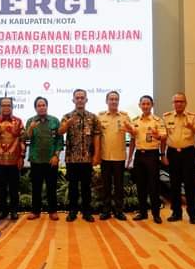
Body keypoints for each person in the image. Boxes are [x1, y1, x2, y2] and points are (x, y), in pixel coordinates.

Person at [59, 89, 101, 223]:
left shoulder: (93, 117)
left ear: (86, 100)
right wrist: (67, 124)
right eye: (77, 98)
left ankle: (87, 212)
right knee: (72, 187)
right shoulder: (67, 116)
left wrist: (96, 155)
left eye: (82, 98)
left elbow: (96, 137)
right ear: (73, 100)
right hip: (72, 159)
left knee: (86, 187)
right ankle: (72, 211)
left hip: (87, 158)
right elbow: (60, 132)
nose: (80, 100)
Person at [128, 95, 167, 224]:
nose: (145, 106)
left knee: (154, 185)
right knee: (140, 185)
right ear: (139, 105)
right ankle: (143, 212)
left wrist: (158, 137)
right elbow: (132, 140)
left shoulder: (157, 120)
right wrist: (130, 158)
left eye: (148, 104)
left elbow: (164, 137)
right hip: (139, 155)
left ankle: (156, 214)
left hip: (152, 155)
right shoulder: (135, 120)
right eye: (143, 104)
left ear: (152, 105)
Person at [163, 93, 195, 224]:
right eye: (176, 101)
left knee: (190, 184)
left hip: (188, 153)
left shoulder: (192, 117)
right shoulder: (166, 117)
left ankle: (193, 214)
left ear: (185, 103)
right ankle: (176, 213)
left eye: (181, 101)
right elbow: (164, 137)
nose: (178, 104)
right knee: (174, 184)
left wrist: (192, 127)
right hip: (172, 153)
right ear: (173, 103)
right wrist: (162, 154)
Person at [25, 97, 63, 221]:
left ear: (47, 106)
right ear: (35, 108)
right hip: (36, 159)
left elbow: (59, 140)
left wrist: (56, 156)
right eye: (39, 105)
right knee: (36, 187)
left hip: (51, 160)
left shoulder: (54, 121)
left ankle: (53, 211)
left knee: (51, 187)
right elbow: (26, 137)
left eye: (43, 105)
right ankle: (35, 211)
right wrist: (31, 128)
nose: (41, 107)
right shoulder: (31, 121)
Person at [97, 91, 131, 221]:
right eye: (111, 99)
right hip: (105, 156)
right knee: (106, 186)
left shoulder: (124, 116)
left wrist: (130, 128)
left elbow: (133, 133)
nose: (114, 101)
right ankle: (106, 211)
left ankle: (119, 211)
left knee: (119, 186)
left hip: (119, 157)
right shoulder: (100, 117)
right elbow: (96, 136)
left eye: (116, 99)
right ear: (107, 101)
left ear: (118, 101)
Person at [0, 97, 25, 220]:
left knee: (14, 187)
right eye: (4, 105)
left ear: (12, 107)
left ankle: (14, 211)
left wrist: (22, 156)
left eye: (8, 105)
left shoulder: (18, 121)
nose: (6, 108)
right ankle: (3, 210)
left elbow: (22, 140)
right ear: (0, 107)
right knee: (1, 187)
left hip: (14, 159)